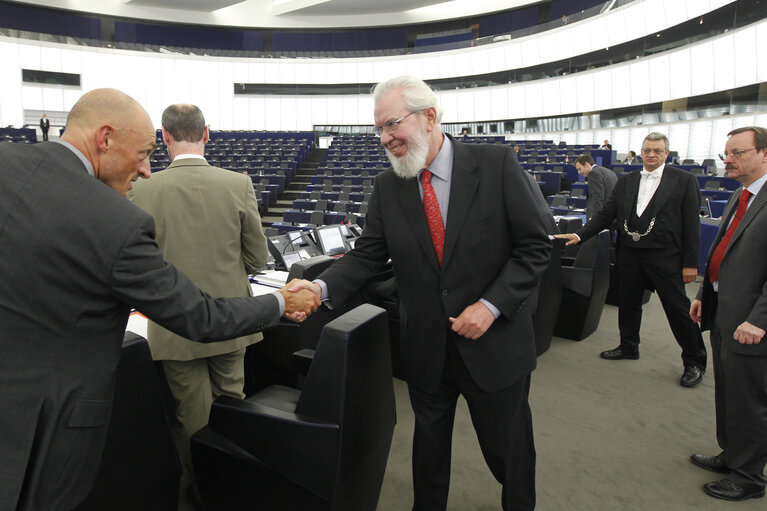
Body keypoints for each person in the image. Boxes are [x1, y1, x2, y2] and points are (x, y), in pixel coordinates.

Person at [0, 88, 319, 511]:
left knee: (191, 419)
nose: (148, 170)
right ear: (106, 138)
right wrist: (282, 302)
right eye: (143, 153)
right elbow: (208, 308)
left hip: (162, 345)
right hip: (51, 426)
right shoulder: (114, 218)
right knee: (234, 409)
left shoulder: (7, 164)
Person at [292, 76, 553, 510]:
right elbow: (367, 257)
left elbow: (534, 247)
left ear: (429, 116)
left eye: (392, 124)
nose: (385, 138)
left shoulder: (496, 164)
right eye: (378, 129)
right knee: (428, 450)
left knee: (509, 451)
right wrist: (318, 286)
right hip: (428, 347)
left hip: (494, 344)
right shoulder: (388, 186)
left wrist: (490, 307)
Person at [129, 103, 269, 506]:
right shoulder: (237, 185)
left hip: (175, 328)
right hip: (232, 321)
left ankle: (203, 496)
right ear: (207, 134)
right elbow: (258, 258)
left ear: (165, 137)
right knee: (233, 407)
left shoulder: (141, 190)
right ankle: (236, 489)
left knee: (192, 419)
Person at [555, 132, 707, 387]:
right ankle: (628, 346)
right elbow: (606, 214)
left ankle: (694, 360)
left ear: (666, 153)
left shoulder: (684, 180)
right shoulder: (627, 181)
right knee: (628, 303)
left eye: (657, 151)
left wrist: (691, 263)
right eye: (647, 149)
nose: (651, 154)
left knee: (678, 309)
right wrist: (580, 235)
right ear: (641, 151)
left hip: (665, 257)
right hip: (630, 253)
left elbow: (692, 224)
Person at [689, 126, 767, 501]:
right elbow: (722, 250)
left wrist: (761, 320)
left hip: (753, 320)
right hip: (724, 310)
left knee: (750, 399)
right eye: (726, 154)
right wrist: (706, 293)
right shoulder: (741, 194)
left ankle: (749, 477)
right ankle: (732, 455)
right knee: (728, 392)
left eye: (738, 152)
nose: (729, 160)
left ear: (764, 153)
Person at [574, 154, 618, 219]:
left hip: (603, 218)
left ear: (586, 164)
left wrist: (594, 221)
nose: (579, 172)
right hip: (613, 216)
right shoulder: (609, 172)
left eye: (579, 169)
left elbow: (597, 199)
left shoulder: (594, 174)